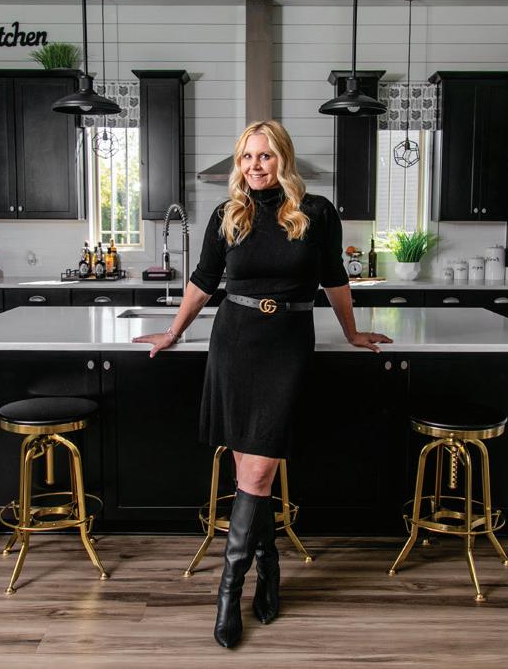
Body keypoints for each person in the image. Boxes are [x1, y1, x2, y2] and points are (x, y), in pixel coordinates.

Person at [133, 120, 392, 648]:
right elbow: (203, 281)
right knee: (252, 475)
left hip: (287, 346)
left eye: (266, 155)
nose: (255, 165)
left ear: (283, 159)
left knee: (256, 470)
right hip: (234, 344)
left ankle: (228, 593)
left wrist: (352, 332)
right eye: (247, 156)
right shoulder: (228, 213)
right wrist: (173, 331)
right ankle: (268, 567)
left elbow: (334, 279)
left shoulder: (316, 212)